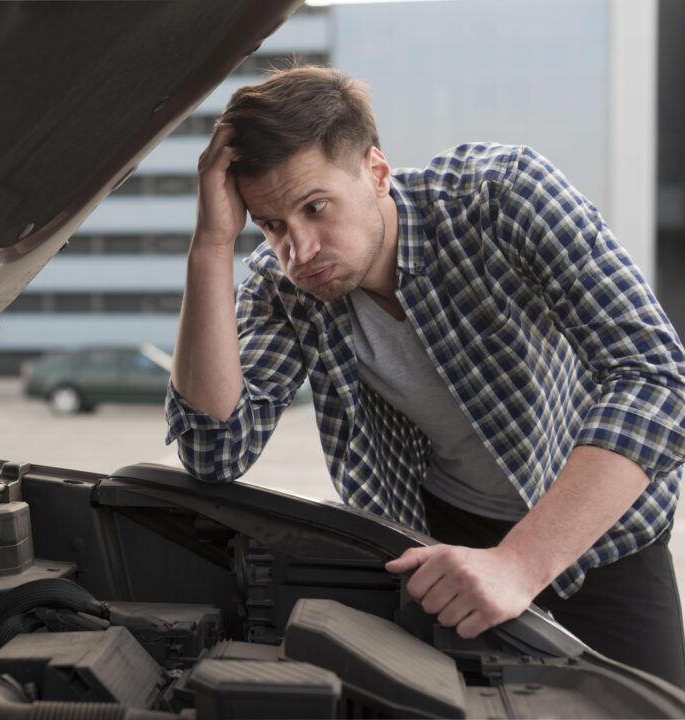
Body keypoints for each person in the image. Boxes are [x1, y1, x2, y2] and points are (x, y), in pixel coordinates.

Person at [164, 66, 685, 686]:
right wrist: (211, 245)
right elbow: (214, 449)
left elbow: (654, 378)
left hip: (596, 529)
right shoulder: (285, 287)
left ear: (376, 172)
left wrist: (520, 564)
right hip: (442, 539)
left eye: (315, 207)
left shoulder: (502, 195)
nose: (298, 251)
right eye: (272, 225)